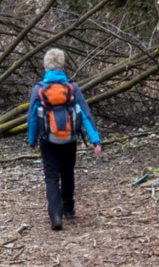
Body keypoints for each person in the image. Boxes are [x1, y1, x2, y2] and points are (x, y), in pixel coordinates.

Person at [26, 47, 102, 231]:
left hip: (47, 140)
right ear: (62, 65)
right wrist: (95, 141)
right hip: (69, 138)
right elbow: (85, 114)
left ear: (46, 66)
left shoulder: (39, 90)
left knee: (51, 176)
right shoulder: (72, 88)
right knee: (67, 172)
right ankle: (68, 209)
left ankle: (55, 215)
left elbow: (33, 118)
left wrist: (32, 140)